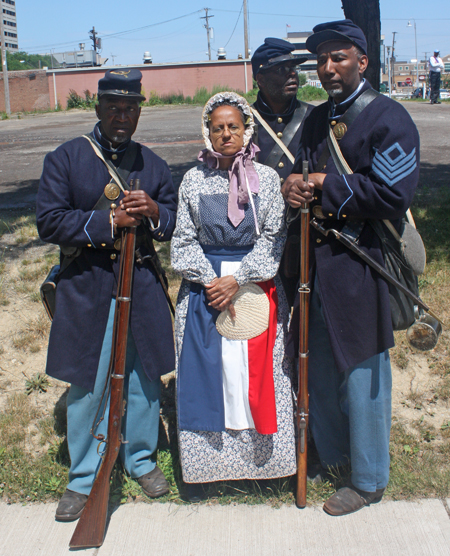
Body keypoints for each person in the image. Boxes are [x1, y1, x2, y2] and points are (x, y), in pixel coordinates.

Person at [282, 20, 420, 515]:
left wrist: (325, 183)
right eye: (321, 60)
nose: (328, 68)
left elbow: (392, 194)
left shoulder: (389, 118)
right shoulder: (317, 120)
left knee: (363, 373)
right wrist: (293, 186)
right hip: (314, 264)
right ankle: (334, 453)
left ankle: (367, 478)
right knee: (317, 364)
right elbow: (300, 172)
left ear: (362, 61)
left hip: (363, 263)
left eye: (339, 57)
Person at [37, 69, 177, 521]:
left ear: (139, 112)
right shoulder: (67, 158)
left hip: (141, 282)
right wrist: (106, 224)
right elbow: (49, 221)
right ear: (97, 109)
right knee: (87, 383)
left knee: (143, 377)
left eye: (130, 108)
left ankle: (140, 460)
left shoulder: (153, 165)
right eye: (114, 108)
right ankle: (84, 475)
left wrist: (154, 211)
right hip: (87, 284)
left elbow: (173, 221)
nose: (122, 116)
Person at [171, 92, 296, 501]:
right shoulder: (193, 180)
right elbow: (183, 240)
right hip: (205, 289)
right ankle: (210, 468)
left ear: (247, 131)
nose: (226, 134)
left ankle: (266, 467)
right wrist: (211, 281)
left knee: (256, 374)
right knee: (212, 373)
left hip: (254, 287)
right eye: (218, 127)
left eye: (234, 127)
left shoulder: (266, 178)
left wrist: (239, 278)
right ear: (207, 132)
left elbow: (275, 235)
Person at [251, 38, 313, 304]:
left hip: (305, 236)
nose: (291, 74)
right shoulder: (242, 122)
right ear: (260, 79)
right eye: (281, 69)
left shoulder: (315, 119)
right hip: (256, 238)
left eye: (293, 68)